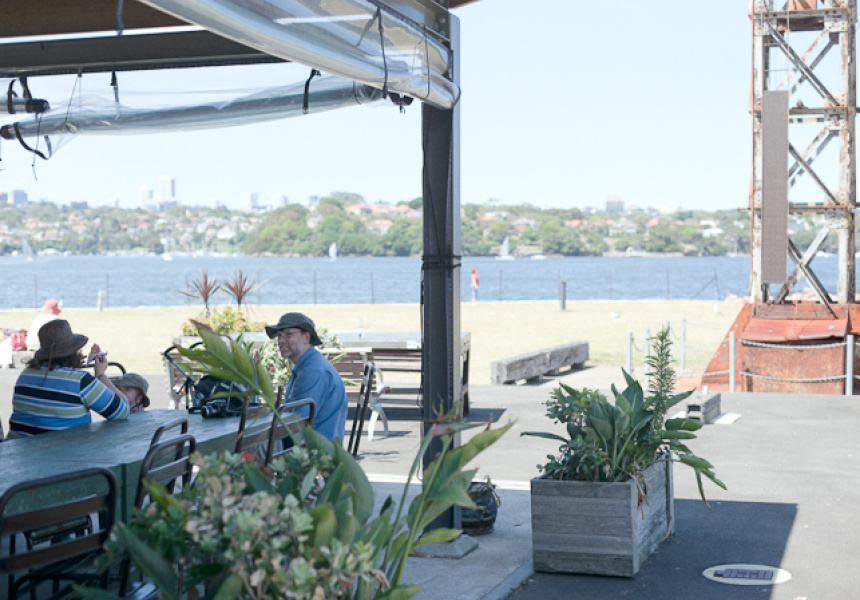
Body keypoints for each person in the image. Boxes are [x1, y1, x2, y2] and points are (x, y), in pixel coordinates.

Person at [7, 319, 130, 439]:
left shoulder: (25, 375)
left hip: (17, 448)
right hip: (60, 451)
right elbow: (122, 412)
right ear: (73, 351)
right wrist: (101, 376)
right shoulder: (81, 381)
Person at [265, 312, 347, 442]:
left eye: (288, 335)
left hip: (315, 450)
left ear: (306, 337)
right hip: (312, 443)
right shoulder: (307, 365)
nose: (281, 341)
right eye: (279, 336)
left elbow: (297, 425)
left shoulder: (313, 371)